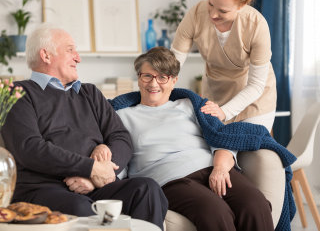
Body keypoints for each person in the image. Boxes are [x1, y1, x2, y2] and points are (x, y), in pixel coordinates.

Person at [0, 24, 168, 230]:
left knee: (147, 188)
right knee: (81, 210)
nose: (78, 58)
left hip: (94, 186)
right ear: (46, 55)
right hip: (43, 189)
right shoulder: (16, 93)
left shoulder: (89, 93)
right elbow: (30, 148)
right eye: (70, 50)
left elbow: (121, 138)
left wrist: (99, 176)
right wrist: (90, 168)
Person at [111, 47, 296, 231]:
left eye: (162, 77)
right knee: (215, 211)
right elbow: (117, 154)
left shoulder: (189, 104)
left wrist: (220, 167)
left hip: (211, 169)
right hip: (169, 180)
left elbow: (221, 136)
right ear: (139, 78)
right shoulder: (121, 115)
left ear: (174, 80)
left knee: (255, 203)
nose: (154, 83)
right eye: (147, 76)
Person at [171, 0, 276, 132]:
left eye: (223, 11)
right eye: (211, 4)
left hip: (253, 97)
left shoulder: (256, 26)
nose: (212, 14)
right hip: (215, 92)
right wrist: (159, 88)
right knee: (213, 147)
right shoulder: (196, 14)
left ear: (242, 6)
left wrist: (225, 112)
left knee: (246, 149)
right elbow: (173, 62)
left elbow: (256, 85)